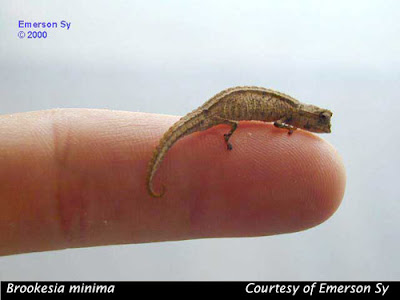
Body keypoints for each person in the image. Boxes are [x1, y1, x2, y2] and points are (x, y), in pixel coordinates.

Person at [0, 109, 346, 256]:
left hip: (222, 111)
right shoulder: (291, 113)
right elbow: (281, 123)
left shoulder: (291, 111)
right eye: (316, 121)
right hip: (221, 114)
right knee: (227, 128)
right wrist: (235, 133)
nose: (317, 126)